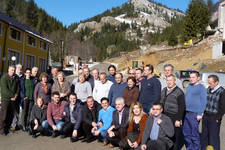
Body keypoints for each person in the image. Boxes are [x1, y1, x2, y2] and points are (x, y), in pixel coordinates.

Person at [160, 74, 185, 150]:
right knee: (165, 135)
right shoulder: (164, 90)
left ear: (175, 81)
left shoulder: (179, 92)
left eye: (171, 80)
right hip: (164, 115)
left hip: (174, 116)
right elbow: (161, 102)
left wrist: (179, 119)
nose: (169, 82)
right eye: (167, 80)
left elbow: (182, 107)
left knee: (174, 136)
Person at [183, 71, 207, 150]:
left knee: (194, 134)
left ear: (198, 78)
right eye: (190, 77)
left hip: (195, 114)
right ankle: (190, 148)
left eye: (193, 77)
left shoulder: (201, 87)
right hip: (186, 113)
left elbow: (203, 101)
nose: (191, 79)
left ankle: (196, 148)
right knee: (186, 133)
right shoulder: (189, 86)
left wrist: (200, 113)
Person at [201, 75, 225, 150]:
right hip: (206, 116)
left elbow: (223, 106)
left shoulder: (222, 91)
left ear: (216, 82)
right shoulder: (208, 89)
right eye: (208, 83)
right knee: (204, 135)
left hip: (214, 117)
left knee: (213, 137)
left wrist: (218, 117)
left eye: (211, 83)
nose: (209, 84)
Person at [0, 66, 20, 135]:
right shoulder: (4, 78)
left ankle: (7, 128)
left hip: (13, 99)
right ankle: (2, 128)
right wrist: (12, 96)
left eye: (14, 70)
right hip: (5, 99)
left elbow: (18, 87)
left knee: (11, 115)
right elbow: (4, 89)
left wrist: (16, 95)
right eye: (11, 70)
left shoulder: (16, 77)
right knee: (4, 115)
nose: (13, 71)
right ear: (8, 70)